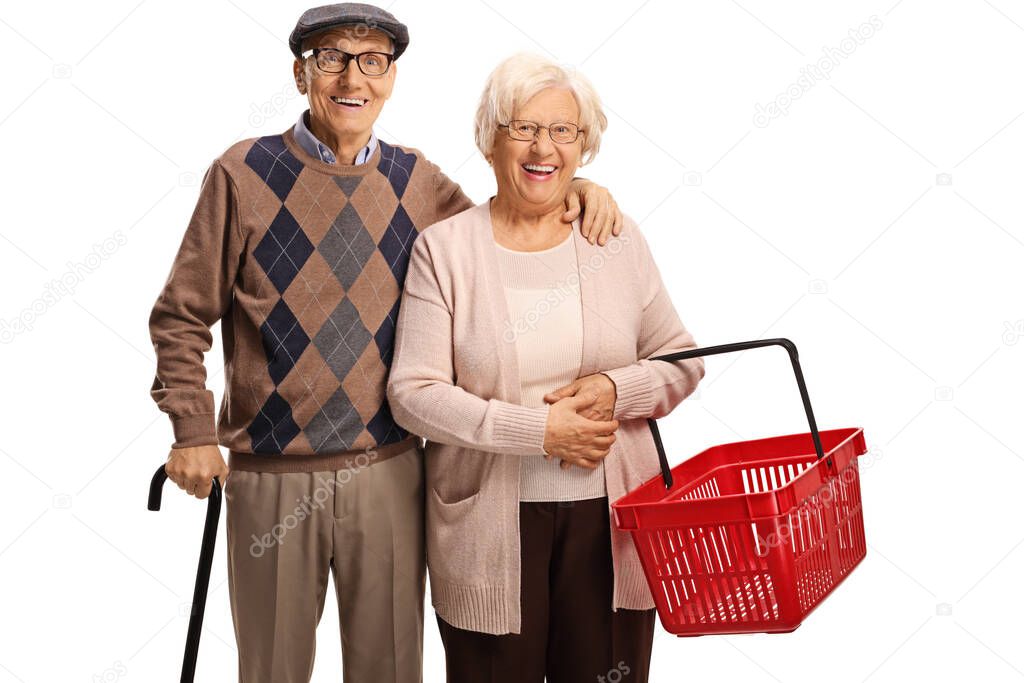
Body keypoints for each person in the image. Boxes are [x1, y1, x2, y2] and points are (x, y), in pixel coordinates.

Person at [147, 5, 624, 682]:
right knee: (272, 671)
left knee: (391, 673)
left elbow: (505, 229)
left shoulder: (415, 180)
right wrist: (192, 429)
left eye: (373, 60)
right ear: (300, 71)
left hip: (392, 471)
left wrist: (572, 183)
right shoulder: (241, 172)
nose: (353, 76)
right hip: (272, 476)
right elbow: (180, 316)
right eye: (332, 56)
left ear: (392, 78)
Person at [387, 53, 706, 682]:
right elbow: (413, 394)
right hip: (488, 528)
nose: (544, 147)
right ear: (490, 138)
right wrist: (537, 433)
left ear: (583, 146)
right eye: (523, 127)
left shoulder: (613, 239)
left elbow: (683, 360)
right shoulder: (445, 250)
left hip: (611, 522)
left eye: (563, 131)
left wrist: (618, 387)